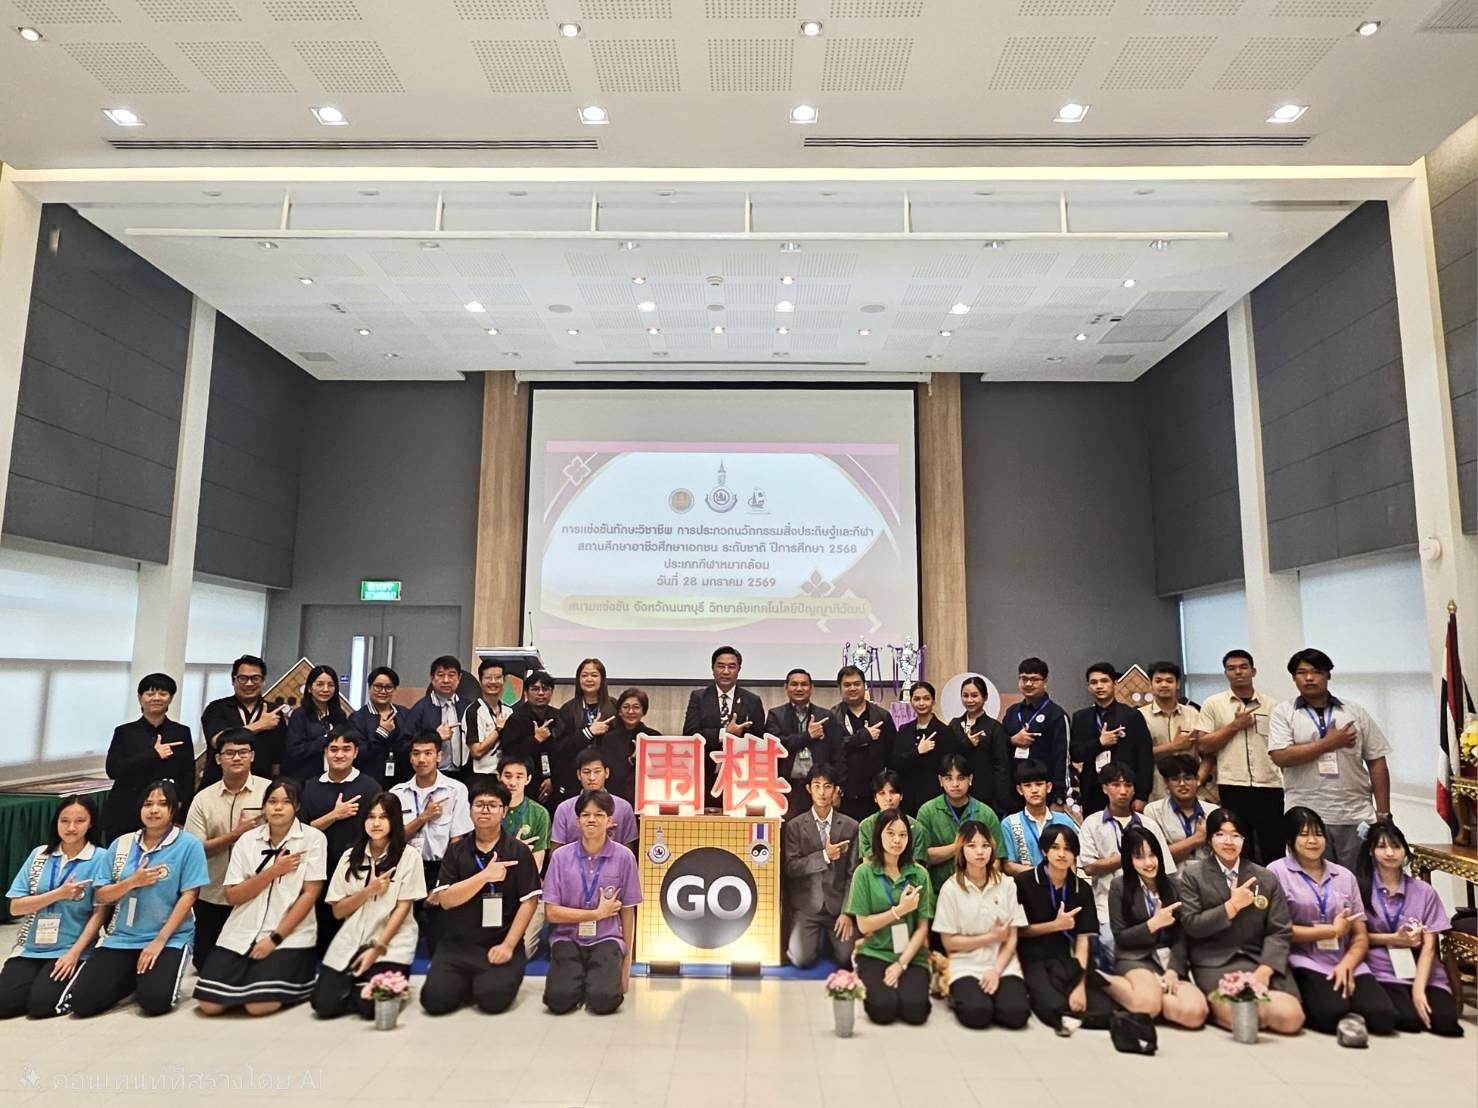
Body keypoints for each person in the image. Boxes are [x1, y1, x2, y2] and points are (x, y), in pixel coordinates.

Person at [69, 781, 209, 1018]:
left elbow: (189, 896)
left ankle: (145, 977)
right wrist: (131, 882)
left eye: (162, 804)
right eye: (147, 804)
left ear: (175, 808)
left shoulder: (188, 844)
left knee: (155, 1001)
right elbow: (101, 895)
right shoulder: (121, 843)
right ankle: (130, 977)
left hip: (168, 938)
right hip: (122, 937)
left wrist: (159, 941)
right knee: (82, 1002)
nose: (154, 810)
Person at [194, 778, 328, 1016]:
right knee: (210, 1005)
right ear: (264, 806)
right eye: (272, 801)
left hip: (288, 934)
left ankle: (297, 980)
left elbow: (310, 895)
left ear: (297, 806)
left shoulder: (313, 839)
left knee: (258, 1006)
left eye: (286, 802)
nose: (278, 808)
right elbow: (233, 895)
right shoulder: (247, 840)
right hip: (242, 930)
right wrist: (273, 871)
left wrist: (275, 938)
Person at [1268, 806, 1395, 1037]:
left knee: (1383, 1017)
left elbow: (1359, 934)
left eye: (1318, 834)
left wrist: (1348, 964)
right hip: (1304, 958)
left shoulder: (1344, 876)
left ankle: (1350, 1012)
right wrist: (1331, 932)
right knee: (1329, 1014)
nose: (1312, 841)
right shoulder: (1276, 872)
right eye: (1304, 835)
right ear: (1290, 840)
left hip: (1343, 957)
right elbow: (1278, 931)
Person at [420, 777, 541, 1016]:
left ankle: (480, 982)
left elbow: (529, 902)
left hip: (499, 941)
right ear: (470, 810)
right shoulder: (456, 851)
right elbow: (445, 900)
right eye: (479, 804)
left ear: (504, 811)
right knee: (434, 1001)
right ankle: (466, 981)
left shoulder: (518, 851)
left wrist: (508, 946)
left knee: (492, 1001)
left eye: (493, 805)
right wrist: (484, 876)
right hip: (458, 944)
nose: (485, 810)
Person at [1177, 808, 1304, 1035]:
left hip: (1258, 959)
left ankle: (1254, 1005)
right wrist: (1231, 907)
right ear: (1209, 839)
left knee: (1290, 1019)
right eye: (1220, 834)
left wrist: (1265, 970)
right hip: (1215, 960)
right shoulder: (1193, 875)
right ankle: (1223, 1008)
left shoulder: (1264, 877)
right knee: (1242, 1018)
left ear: (1244, 840)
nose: (1229, 842)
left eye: (1235, 835)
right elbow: (1192, 924)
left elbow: (1280, 930)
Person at [1268, 648, 1392, 866]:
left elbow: (1377, 762)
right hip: (1305, 815)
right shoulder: (1283, 712)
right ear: (1294, 678)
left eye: (1316, 672)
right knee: (1312, 879)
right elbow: (1280, 756)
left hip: (1355, 813)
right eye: (1301, 673)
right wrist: (1328, 743)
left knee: (1358, 879)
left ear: (1328, 675)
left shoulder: (1354, 712)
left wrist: (1383, 814)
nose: (1309, 678)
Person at [311, 793, 426, 1019]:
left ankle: (373, 983)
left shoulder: (409, 856)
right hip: (353, 938)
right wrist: (368, 891)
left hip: (391, 941)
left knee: (373, 1007)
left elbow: (403, 908)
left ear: (394, 821)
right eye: (371, 817)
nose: (376, 823)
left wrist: (378, 948)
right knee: (323, 1005)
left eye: (383, 817)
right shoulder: (349, 857)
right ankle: (358, 984)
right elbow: (338, 911)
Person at [1355, 820, 1464, 1036]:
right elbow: (1356, 938)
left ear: (1405, 850)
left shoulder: (1424, 891)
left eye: (1396, 846)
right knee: (1407, 1021)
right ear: (1371, 851)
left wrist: (1418, 989)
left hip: (1421, 968)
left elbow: (1430, 947)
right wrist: (1393, 939)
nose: (1390, 853)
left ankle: (1416, 995)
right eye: (1382, 847)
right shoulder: (1361, 888)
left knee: (1446, 1024)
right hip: (1382, 968)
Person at [0, 796, 104, 1019]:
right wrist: (59, 894)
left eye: (80, 821)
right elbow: (15, 908)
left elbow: (99, 914)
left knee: (42, 1006)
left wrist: (74, 953)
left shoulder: (100, 858)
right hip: (30, 947)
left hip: (71, 949)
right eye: (64, 821)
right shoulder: (39, 855)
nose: (71, 827)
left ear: (91, 823)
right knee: (4, 1004)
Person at [541, 789, 641, 1015]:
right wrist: (596, 914)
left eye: (599, 815)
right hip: (567, 937)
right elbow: (551, 913)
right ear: (577, 821)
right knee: (558, 1002)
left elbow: (628, 911)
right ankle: (579, 980)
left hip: (606, 938)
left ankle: (595, 980)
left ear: (610, 820)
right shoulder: (560, 857)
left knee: (604, 1002)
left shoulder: (624, 857)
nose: (592, 820)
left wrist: (625, 967)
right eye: (585, 815)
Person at [1101, 826, 1208, 1029]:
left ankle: (1152, 994)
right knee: (1148, 1005)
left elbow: (1182, 935)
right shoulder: (1119, 886)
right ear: (1129, 860)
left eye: (1152, 855)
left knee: (1195, 1013)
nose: (1149, 863)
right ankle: (1103, 982)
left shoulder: (1175, 885)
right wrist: (1153, 924)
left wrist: (1174, 970)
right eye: (1139, 857)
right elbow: (1121, 937)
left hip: (1167, 959)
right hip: (1135, 957)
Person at [183, 728, 269, 969]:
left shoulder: (270, 793)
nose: (237, 757)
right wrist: (235, 835)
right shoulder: (203, 798)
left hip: (256, 891)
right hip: (213, 893)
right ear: (218, 759)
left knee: (251, 963)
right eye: (230, 753)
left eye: (243, 752)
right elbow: (195, 850)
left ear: (252, 756)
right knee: (205, 964)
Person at [931, 819, 1030, 1030]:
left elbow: (1011, 937)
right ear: (961, 849)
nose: (980, 852)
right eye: (972, 845)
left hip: (1002, 964)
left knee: (1016, 1015)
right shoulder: (951, 889)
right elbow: (949, 943)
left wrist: (996, 971)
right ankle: (951, 987)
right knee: (977, 1014)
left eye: (985, 845)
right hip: (965, 964)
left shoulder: (1007, 885)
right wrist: (990, 938)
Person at [1014, 824, 1112, 1033]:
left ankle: (1069, 1013)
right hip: (1032, 956)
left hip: (1066, 957)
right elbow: (1019, 931)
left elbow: (1083, 940)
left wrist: (1079, 985)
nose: (1061, 854)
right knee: (1053, 1007)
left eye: (1068, 849)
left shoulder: (1081, 888)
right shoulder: (1023, 882)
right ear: (1044, 850)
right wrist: (1055, 926)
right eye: (1055, 847)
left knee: (1104, 1011)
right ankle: (1055, 1006)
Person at [1078, 761, 1177, 961]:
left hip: (1151, 903)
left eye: (1128, 785)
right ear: (1105, 788)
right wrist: (1130, 858)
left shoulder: (1149, 824)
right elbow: (1090, 867)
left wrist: (1107, 862)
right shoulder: (1092, 823)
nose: (1123, 791)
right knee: (1114, 946)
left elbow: (1166, 868)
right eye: (1116, 785)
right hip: (1107, 905)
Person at [844, 810, 934, 1025]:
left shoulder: (919, 873)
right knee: (883, 1010)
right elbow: (864, 926)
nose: (897, 840)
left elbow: (922, 928)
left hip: (911, 955)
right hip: (875, 952)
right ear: (878, 835)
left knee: (916, 1012)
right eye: (890, 833)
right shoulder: (864, 873)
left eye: (903, 835)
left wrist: (901, 964)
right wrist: (899, 910)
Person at [300, 726, 383, 954]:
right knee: (321, 940)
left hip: (356, 871)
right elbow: (300, 833)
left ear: (356, 753)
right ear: (325, 752)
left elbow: (379, 831)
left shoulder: (370, 787)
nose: (339, 754)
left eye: (346, 749)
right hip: (318, 871)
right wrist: (334, 815)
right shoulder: (309, 787)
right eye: (334, 749)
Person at [1196, 650, 1282, 864]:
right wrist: (1234, 726)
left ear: (1253, 671)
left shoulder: (1273, 706)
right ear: (1225, 673)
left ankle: (1274, 885)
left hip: (1269, 785)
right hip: (1232, 785)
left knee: (1274, 846)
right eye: (1231, 668)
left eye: (1243, 667)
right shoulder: (1213, 704)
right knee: (1239, 847)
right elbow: (1204, 745)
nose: (1238, 672)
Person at [390, 733, 472, 956]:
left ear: (439, 756)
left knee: (440, 945)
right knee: (401, 944)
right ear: (410, 758)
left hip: (441, 869)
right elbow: (393, 839)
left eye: (428, 753)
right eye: (416, 754)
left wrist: (443, 883)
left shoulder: (456, 790)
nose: (422, 759)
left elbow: (458, 840)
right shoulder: (397, 793)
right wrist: (423, 818)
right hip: (406, 870)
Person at [780, 765, 858, 968]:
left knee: (848, 958)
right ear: (809, 789)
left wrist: (847, 912)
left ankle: (830, 942)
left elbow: (853, 874)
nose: (822, 792)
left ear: (836, 790)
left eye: (827, 786)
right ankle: (813, 941)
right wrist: (824, 856)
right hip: (807, 906)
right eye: (817, 786)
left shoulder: (850, 826)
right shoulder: (795, 826)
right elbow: (791, 868)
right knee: (801, 959)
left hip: (837, 907)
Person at [102, 673, 196, 840]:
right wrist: (153, 755)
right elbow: (113, 770)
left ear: (171, 698)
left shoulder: (181, 732)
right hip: (126, 811)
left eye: (163, 693)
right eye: (150, 693)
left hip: (165, 811)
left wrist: (181, 813)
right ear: (140, 698)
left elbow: (188, 776)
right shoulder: (125, 732)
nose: (156, 698)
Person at [682, 646, 766, 801]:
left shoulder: (752, 700)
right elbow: (690, 735)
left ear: (739, 670)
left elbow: (759, 741)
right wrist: (724, 734)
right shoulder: (699, 697)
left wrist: (739, 737)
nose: (726, 671)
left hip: (740, 775)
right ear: (713, 669)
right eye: (721, 666)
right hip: (704, 772)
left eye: (731, 667)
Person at [1070, 662, 1153, 817]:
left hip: (1124, 788)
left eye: (1104, 681)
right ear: (1088, 687)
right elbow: (1075, 754)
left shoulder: (1131, 715)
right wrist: (1100, 743)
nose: (1099, 686)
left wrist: (1142, 795)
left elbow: (1145, 757)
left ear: (1115, 683)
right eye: (1094, 682)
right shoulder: (1080, 717)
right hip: (1092, 790)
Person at [915, 753, 1006, 893]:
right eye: (948, 778)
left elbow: (997, 858)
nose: (955, 784)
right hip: (938, 891)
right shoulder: (927, 811)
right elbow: (922, 856)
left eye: (961, 778)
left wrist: (984, 888)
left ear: (970, 779)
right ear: (940, 780)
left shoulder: (986, 813)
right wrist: (959, 845)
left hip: (979, 891)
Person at [763, 668, 844, 818]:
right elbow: (776, 746)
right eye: (794, 684)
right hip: (787, 786)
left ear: (812, 688)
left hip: (819, 787)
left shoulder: (826, 716)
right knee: (788, 827)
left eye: (804, 684)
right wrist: (808, 736)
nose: (799, 688)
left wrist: (836, 787)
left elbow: (837, 754)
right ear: (786, 687)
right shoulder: (776, 715)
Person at [199, 654, 283, 787]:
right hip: (219, 784)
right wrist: (260, 725)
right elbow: (218, 741)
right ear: (233, 681)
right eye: (243, 678)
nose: (249, 683)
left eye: (255, 678)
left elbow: (277, 759)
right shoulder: (217, 708)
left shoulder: (273, 711)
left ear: (263, 681)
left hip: (260, 786)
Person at [1001, 659, 1071, 812]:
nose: (1028, 683)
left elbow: (1062, 758)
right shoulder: (1012, 712)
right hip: (1014, 792)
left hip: (1045, 793)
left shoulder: (1057, 715)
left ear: (1045, 682)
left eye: (1034, 679)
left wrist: (1059, 797)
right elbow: (999, 745)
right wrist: (1012, 740)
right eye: (1024, 679)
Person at [831, 665, 897, 823]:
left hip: (875, 794)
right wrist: (862, 737)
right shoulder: (832, 717)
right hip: (844, 794)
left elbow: (893, 755)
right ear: (840, 688)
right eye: (847, 685)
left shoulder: (882, 716)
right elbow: (832, 749)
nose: (852, 688)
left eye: (857, 684)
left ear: (864, 685)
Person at [499, 754, 550, 959]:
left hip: (526, 892)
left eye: (519, 776)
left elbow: (535, 867)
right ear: (498, 777)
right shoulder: (490, 810)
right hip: (492, 890)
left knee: (522, 951)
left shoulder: (539, 814)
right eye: (508, 776)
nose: (513, 782)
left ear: (528, 779)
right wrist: (518, 852)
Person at [501, 670, 573, 810]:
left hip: (554, 783)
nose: (540, 693)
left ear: (551, 692)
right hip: (524, 783)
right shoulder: (516, 719)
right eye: (535, 689)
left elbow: (565, 752)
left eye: (545, 689)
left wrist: (552, 779)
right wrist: (535, 739)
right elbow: (510, 753)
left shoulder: (559, 717)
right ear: (526, 692)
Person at [1138, 661, 1207, 802]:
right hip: (1155, 791)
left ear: (1178, 684)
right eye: (1158, 681)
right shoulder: (1139, 716)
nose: (1164, 685)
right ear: (1150, 685)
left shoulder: (1193, 714)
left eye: (1169, 681)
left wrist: (1199, 779)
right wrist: (1173, 747)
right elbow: (1137, 756)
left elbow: (1207, 752)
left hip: (1190, 791)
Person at [998, 761, 1078, 876]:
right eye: (1027, 785)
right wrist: (1040, 874)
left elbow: (1072, 860)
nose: (1034, 790)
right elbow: (1008, 865)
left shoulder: (1065, 821)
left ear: (1048, 787)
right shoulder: (1009, 823)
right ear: (1020, 790)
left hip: (1060, 882)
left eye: (1039, 784)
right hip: (1024, 884)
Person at [550, 748, 638, 849]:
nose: (592, 777)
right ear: (579, 774)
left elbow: (629, 850)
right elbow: (556, 852)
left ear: (607, 773)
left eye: (597, 771)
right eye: (586, 772)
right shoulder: (564, 809)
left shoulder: (624, 808)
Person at [948, 675, 1010, 812]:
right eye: (965, 696)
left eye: (974, 695)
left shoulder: (994, 727)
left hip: (985, 795)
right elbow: (948, 755)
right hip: (957, 792)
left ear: (985, 697)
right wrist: (967, 744)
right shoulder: (954, 725)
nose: (969, 700)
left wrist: (1001, 800)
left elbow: (1001, 766)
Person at [1142, 753, 1218, 865]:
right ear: (1166, 783)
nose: (1182, 784)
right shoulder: (1153, 811)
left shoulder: (1213, 811)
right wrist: (1197, 839)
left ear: (1197, 780)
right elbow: (1154, 855)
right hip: (1172, 874)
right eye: (1175, 779)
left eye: (1188, 778)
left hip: (1207, 874)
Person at [401, 655, 471, 775]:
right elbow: (404, 746)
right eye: (440, 675)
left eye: (451, 675)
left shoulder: (468, 707)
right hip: (432, 774)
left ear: (459, 678)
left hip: (464, 774)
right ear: (432, 678)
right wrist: (435, 737)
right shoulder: (420, 709)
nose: (446, 680)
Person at [892, 680, 950, 816]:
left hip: (934, 799)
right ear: (911, 701)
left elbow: (947, 768)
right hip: (907, 798)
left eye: (926, 698)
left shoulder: (945, 732)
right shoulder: (904, 730)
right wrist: (917, 752)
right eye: (917, 699)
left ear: (933, 701)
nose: (921, 703)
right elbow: (895, 763)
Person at [282, 664, 348, 782]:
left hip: (334, 777)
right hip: (305, 778)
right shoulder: (299, 715)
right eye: (320, 684)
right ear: (309, 688)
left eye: (331, 685)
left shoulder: (340, 715)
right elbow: (295, 750)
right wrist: (326, 739)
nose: (326, 689)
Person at [559, 658, 620, 781]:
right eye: (584, 675)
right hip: (576, 776)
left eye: (594, 675)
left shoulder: (614, 706)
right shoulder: (568, 709)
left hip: (609, 776)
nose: (589, 679)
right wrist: (588, 732)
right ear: (578, 679)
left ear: (602, 679)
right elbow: (562, 748)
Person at [349, 666, 409, 786]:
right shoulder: (357, 718)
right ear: (369, 687)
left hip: (402, 780)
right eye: (378, 686)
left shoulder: (405, 714)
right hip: (369, 781)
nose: (383, 691)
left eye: (388, 687)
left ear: (395, 689)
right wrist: (381, 732)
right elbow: (358, 753)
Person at [856, 770, 928, 866]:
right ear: (875, 798)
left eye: (893, 792)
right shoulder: (866, 826)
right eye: (882, 793)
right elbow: (867, 865)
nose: (888, 798)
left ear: (901, 796)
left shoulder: (916, 828)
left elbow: (916, 867)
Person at [602, 687, 657, 804]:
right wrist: (632, 760)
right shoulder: (609, 739)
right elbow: (610, 774)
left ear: (644, 711)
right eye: (626, 707)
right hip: (616, 798)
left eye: (636, 707)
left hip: (648, 798)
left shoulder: (654, 737)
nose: (631, 712)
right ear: (619, 711)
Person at [464, 658, 513, 777]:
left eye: (498, 677)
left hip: (503, 775)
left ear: (504, 680)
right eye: (488, 677)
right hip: (480, 775)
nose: (493, 682)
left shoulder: (509, 711)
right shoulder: (474, 711)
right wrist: (498, 730)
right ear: (480, 680)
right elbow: (476, 752)